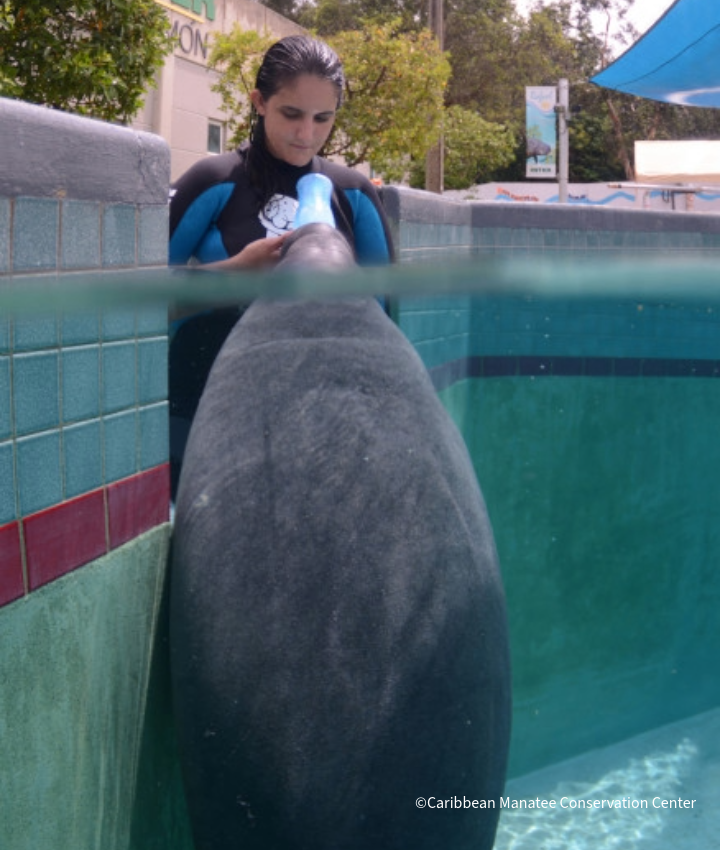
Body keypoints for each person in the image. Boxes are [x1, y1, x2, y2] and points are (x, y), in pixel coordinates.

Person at [168, 34, 395, 495]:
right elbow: (136, 302)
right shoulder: (212, 182)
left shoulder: (353, 193)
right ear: (259, 102)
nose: (306, 133)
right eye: (292, 114)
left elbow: (384, 323)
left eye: (322, 118)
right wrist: (234, 274)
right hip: (202, 391)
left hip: (318, 401)